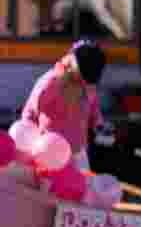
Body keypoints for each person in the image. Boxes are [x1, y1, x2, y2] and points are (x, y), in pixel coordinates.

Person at [21, 40, 108, 170]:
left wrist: (99, 124)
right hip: (50, 151)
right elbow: (31, 111)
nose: (85, 81)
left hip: (78, 151)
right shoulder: (50, 81)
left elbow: (93, 107)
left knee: (83, 187)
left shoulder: (88, 85)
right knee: (51, 189)